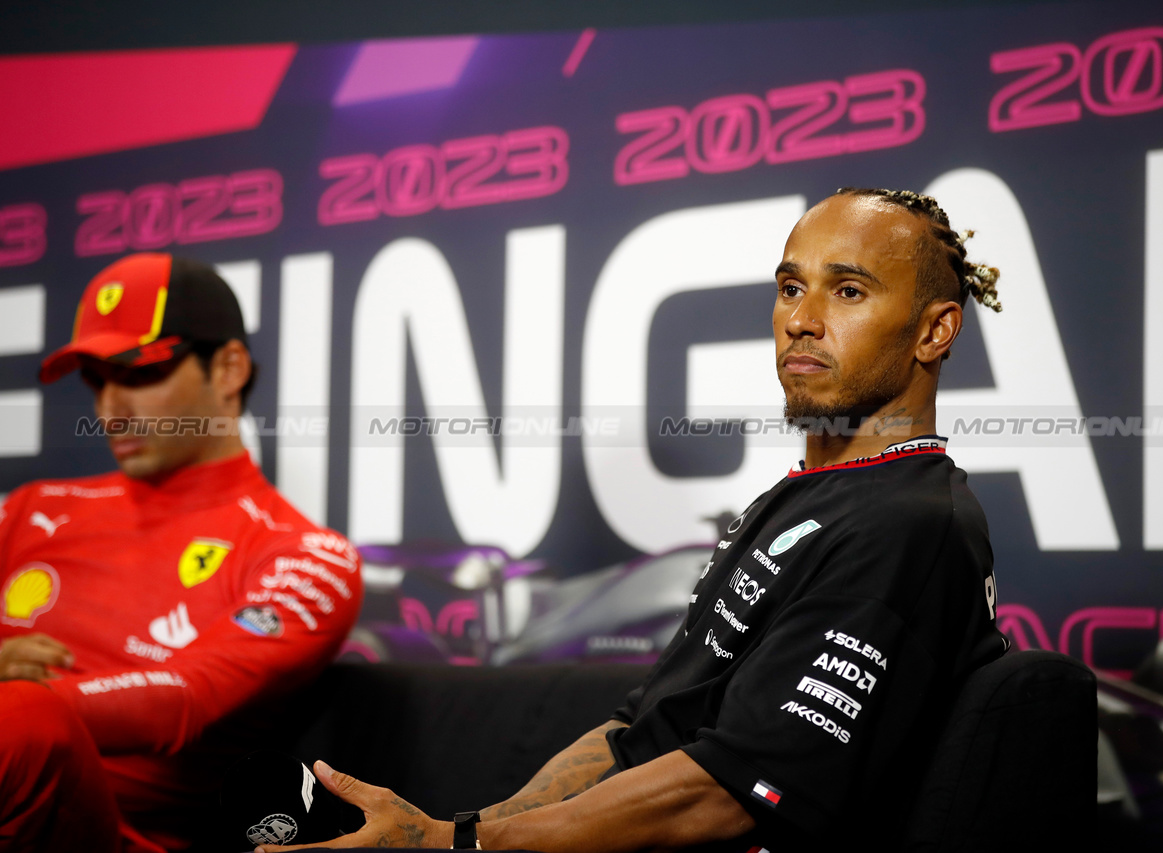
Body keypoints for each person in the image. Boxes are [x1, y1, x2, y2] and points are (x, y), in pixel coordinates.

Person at [260, 187, 1008, 852]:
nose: (801, 321)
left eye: (847, 291)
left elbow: (723, 793)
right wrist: (473, 831)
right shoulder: (804, 496)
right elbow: (640, 728)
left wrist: (466, 843)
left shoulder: (911, 525)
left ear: (934, 331)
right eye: (789, 288)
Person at [0, 253, 363, 852]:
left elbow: (185, 697)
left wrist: (23, 699)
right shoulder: (29, 508)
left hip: (111, 834)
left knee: (29, 723)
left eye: (138, 373)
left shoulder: (304, 556)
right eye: (96, 378)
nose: (109, 409)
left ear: (227, 369)